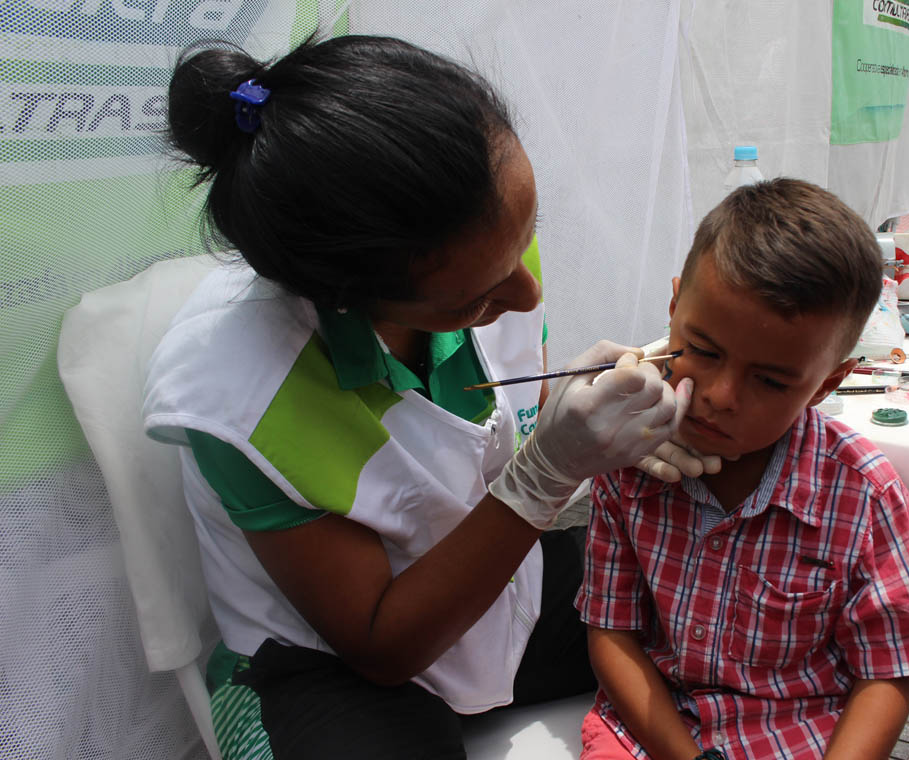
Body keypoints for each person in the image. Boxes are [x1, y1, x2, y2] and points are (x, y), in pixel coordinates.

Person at [143, 34, 689, 760]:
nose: (526, 293)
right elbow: (382, 647)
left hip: (495, 581)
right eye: (476, 299)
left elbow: (488, 458)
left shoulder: (480, 245)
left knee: (725, 594)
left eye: (526, 237)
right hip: (335, 662)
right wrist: (550, 470)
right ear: (345, 296)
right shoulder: (237, 392)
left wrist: (603, 437)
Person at [574, 179, 909, 760]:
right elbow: (611, 631)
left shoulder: (863, 497)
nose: (720, 396)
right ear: (673, 308)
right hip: (649, 730)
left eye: (770, 381)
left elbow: (886, 673)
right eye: (703, 349)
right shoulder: (626, 463)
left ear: (827, 383)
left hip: (797, 735)